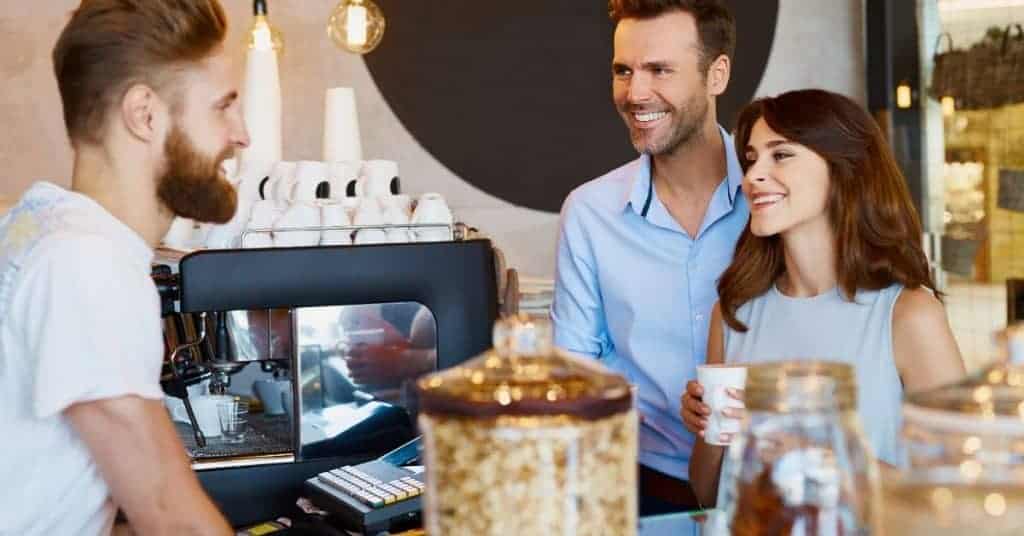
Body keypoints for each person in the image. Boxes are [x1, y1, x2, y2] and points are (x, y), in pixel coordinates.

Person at [0, 1, 248, 534]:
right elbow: (169, 515)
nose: (240, 133)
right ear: (145, 114)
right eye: (222, 107)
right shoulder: (86, 263)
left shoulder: (36, 230)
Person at [681, 89, 967, 506]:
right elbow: (709, 494)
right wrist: (710, 429)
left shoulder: (908, 316)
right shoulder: (733, 314)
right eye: (750, 158)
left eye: (780, 155)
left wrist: (818, 453)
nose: (753, 176)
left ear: (843, 170)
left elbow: (959, 494)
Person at [551, 0, 744, 513]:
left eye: (660, 70)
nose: (635, 93)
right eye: (623, 71)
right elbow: (576, 381)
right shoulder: (589, 213)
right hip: (640, 490)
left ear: (716, 74)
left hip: (770, 484)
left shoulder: (777, 201)